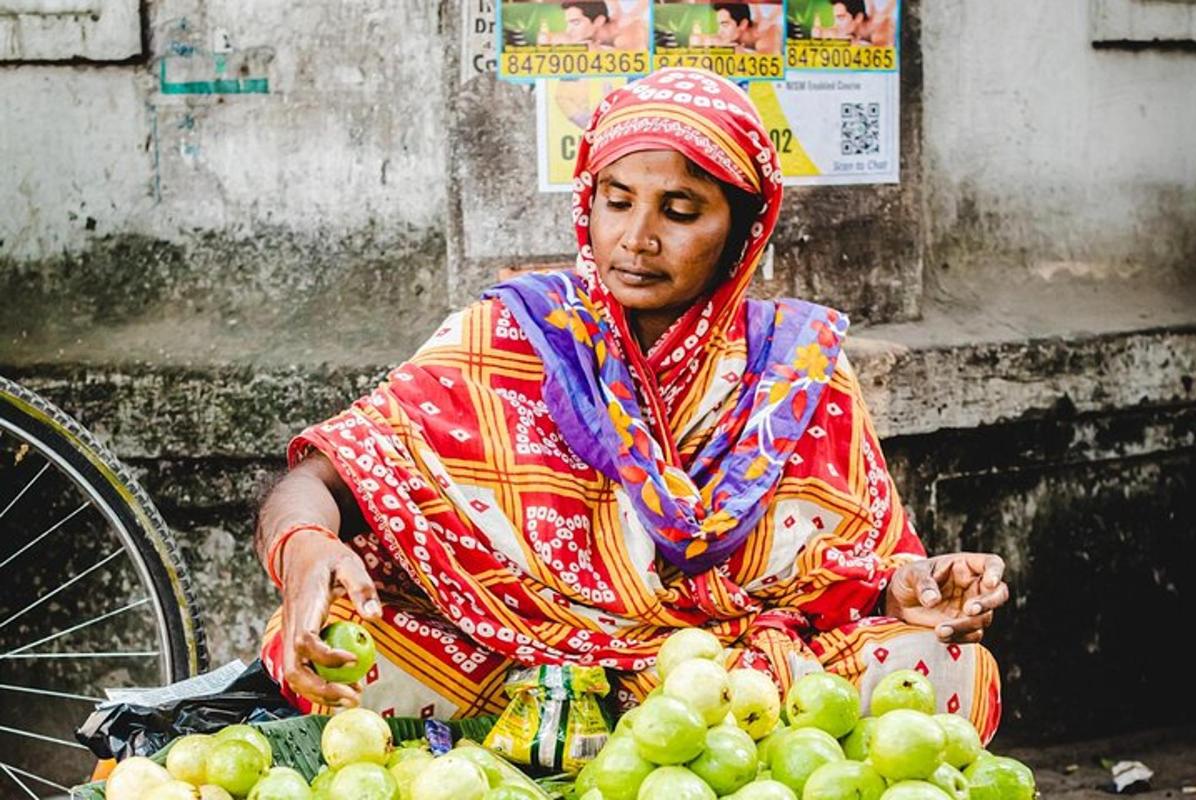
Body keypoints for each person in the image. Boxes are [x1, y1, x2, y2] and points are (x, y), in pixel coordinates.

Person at [255, 68, 1008, 741]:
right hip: (520, 666)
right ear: (590, 205)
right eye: (617, 202)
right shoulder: (510, 333)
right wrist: (305, 550)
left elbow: (871, 566)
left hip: (726, 681)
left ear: (742, 231)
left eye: (679, 211)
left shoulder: (796, 369)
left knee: (951, 668)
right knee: (337, 637)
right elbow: (319, 479)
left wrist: (912, 584)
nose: (637, 238)